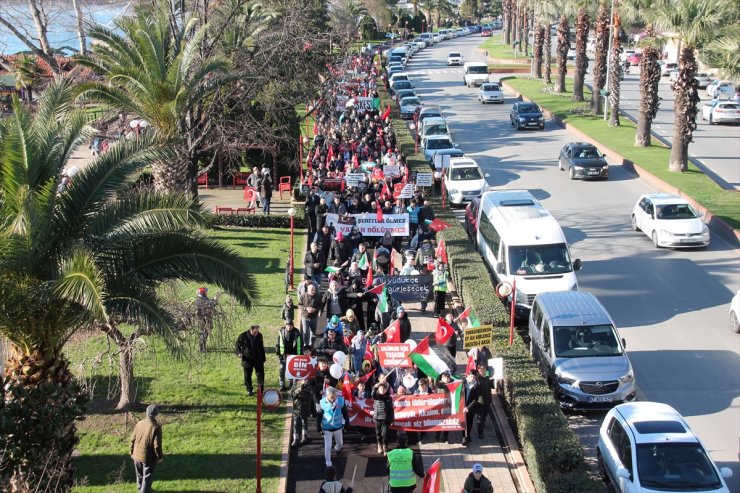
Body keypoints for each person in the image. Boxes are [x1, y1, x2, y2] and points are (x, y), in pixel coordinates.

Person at [130, 404, 164, 493]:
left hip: (136, 455)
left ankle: (140, 490)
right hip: (148, 457)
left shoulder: (139, 423)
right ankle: (144, 491)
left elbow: (132, 439)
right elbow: (157, 446)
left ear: (146, 413)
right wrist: (159, 457)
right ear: (156, 414)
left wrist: (131, 452)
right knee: (147, 477)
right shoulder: (156, 427)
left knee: (139, 475)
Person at [320, 387, 348, 468]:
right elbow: (319, 416)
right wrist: (319, 427)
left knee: (340, 443)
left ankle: (337, 448)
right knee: (328, 446)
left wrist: (347, 423)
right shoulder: (322, 403)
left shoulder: (341, 401)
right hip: (327, 427)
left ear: (336, 394)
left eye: (334, 397)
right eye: (330, 398)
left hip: (338, 427)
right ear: (327, 396)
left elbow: (345, 413)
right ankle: (328, 463)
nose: (332, 399)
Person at [235, 324, 266, 396]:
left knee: (260, 375)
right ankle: (249, 389)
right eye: (255, 332)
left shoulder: (259, 335)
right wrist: (239, 352)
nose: (256, 334)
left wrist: (263, 358)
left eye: (257, 332)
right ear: (251, 330)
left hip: (258, 358)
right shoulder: (243, 336)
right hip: (247, 359)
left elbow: (261, 346)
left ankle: (261, 390)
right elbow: (237, 345)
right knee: (247, 375)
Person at [276, 320, 303, 390]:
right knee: (282, 369)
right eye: (288, 326)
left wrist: (300, 354)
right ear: (286, 326)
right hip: (283, 355)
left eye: (291, 326)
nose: (289, 327)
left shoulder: (297, 333)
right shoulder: (281, 332)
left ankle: (291, 383)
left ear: (293, 326)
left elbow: (301, 344)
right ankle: (282, 385)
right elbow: (278, 343)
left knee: (291, 370)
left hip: (293, 355)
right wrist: (278, 352)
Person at [371, 378, 394, 455]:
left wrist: (392, 420)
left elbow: (391, 409)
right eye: (381, 388)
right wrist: (375, 387)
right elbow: (372, 394)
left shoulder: (389, 398)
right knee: (378, 433)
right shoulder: (376, 396)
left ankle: (385, 446)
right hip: (377, 418)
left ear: (386, 389)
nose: (382, 390)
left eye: (384, 388)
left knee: (385, 434)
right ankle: (379, 445)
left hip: (386, 419)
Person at [291, 378, 314, 447]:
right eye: (302, 379)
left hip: (305, 407)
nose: (304, 380)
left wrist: (303, 391)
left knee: (304, 421)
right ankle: (296, 438)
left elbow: (311, 394)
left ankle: (304, 436)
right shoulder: (295, 384)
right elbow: (292, 394)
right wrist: (297, 391)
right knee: (296, 423)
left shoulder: (308, 385)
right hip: (297, 408)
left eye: (306, 379)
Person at [300, 283, 323, 348]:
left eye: (314, 290)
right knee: (305, 332)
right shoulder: (303, 296)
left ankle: (311, 345)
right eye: (311, 290)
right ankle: (305, 345)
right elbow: (299, 305)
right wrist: (305, 308)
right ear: (308, 290)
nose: (313, 291)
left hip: (314, 317)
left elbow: (320, 305)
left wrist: (315, 309)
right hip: (305, 317)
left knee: (313, 332)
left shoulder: (318, 296)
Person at [475, 363, 495, 439]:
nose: (482, 370)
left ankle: (482, 422)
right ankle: (480, 432)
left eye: (484, 368)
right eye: (481, 368)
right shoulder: (476, 378)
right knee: (481, 416)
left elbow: (491, 387)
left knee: (484, 415)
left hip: (488, 400)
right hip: (480, 401)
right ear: (478, 369)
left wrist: (492, 381)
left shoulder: (487, 377)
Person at [195, 287, 215, 353]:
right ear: (202, 293)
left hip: (205, 320)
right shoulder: (200, 300)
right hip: (204, 320)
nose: (207, 293)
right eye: (206, 292)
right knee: (203, 334)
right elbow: (210, 305)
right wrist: (214, 301)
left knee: (204, 333)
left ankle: (203, 347)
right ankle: (202, 349)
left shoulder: (202, 299)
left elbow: (209, 302)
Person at [462, 371, 480, 445]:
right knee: (463, 422)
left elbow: (475, 399)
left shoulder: (477, 386)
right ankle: (463, 437)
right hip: (462, 406)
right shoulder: (462, 384)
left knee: (469, 422)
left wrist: (468, 407)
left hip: (471, 408)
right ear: (467, 377)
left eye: (474, 377)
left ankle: (468, 434)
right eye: (471, 376)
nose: (472, 378)